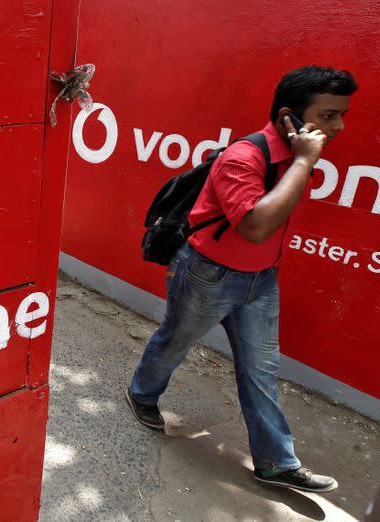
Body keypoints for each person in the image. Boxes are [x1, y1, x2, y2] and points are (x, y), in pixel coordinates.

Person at [126, 65, 358, 493]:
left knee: (261, 370)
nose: (338, 126)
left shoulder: (293, 157)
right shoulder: (244, 158)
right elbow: (254, 226)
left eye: (341, 115)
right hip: (207, 276)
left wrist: (301, 160)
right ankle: (142, 394)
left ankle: (275, 462)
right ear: (290, 116)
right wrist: (306, 160)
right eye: (328, 116)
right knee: (175, 340)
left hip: (261, 282)